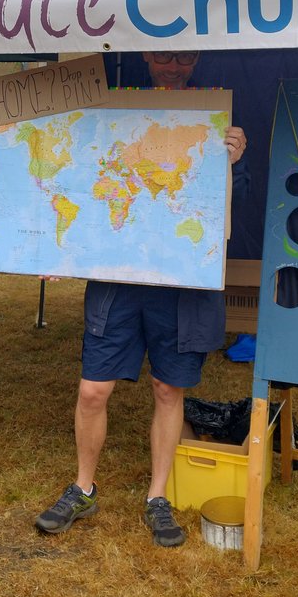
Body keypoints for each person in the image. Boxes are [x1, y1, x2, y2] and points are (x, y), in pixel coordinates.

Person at [35, 50, 249, 547]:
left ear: (197, 60)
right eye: (162, 58)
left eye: (182, 59)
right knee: (93, 390)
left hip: (180, 288)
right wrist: (56, 251)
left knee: (168, 390)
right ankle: (83, 487)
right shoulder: (117, 115)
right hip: (118, 283)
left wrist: (230, 164)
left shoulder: (213, 123)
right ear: (146, 57)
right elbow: (86, 188)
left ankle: (157, 496)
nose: (172, 67)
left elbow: (224, 221)